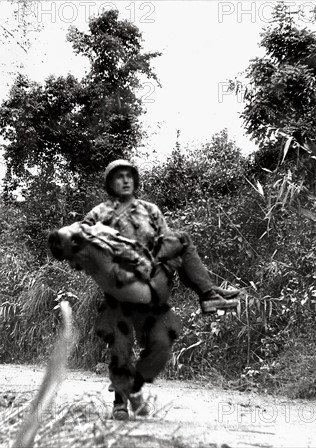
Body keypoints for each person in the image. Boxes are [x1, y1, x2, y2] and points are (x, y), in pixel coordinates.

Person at [83, 159, 240, 420]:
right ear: (110, 184)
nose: (125, 180)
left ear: (135, 180)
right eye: (118, 176)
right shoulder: (99, 213)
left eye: (129, 175)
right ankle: (120, 402)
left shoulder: (151, 211)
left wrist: (169, 264)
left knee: (161, 345)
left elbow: (165, 243)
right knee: (121, 343)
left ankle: (208, 294)